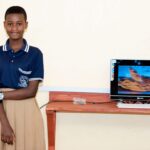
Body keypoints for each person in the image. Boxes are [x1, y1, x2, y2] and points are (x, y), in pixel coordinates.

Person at [0, 6, 45, 150]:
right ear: (4, 24)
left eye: (19, 23)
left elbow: (31, 91)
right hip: (2, 112)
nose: (14, 28)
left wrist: (1, 94)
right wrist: (5, 124)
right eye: (10, 23)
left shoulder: (35, 54)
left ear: (26, 24)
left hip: (27, 111)